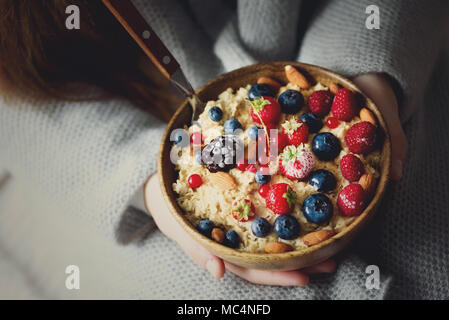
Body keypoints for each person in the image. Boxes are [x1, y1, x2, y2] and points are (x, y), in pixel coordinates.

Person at [0, 0, 447, 299]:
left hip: (338, 60)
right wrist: (150, 188)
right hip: (130, 146)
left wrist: (365, 72)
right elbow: (16, 109)